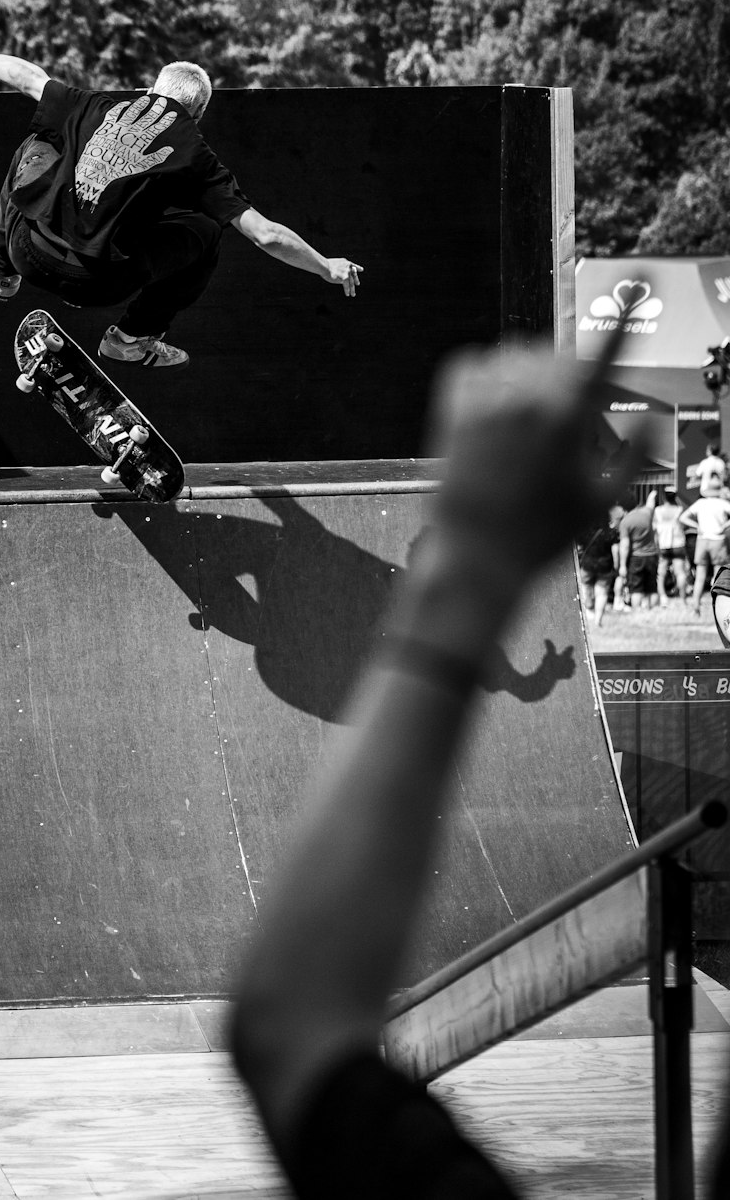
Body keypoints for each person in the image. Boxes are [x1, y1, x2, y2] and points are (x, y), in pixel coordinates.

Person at [229, 320, 730, 1198]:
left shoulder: (459, 625)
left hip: (342, 665)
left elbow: (287, 1028)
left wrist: (476, 560)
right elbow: (528, 685)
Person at [0, 29, 364, 368]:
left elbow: (27, 77)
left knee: (38, 144)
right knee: (206, 232)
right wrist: (325, 266)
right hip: (99, 284)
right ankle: (131, 338)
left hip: (30, 252)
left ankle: (0, 267)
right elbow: (266, 235)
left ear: (150, 88)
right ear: (198, 112)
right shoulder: (196, 155)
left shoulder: (94, 106)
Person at [680, 488, 730, 617]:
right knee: (719, 578)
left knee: (699, 578)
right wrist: (724, 526)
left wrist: (697, 526)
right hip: (718, 540)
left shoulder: (700, 503)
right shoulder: (722, 503)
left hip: (702, 540)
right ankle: (718, 611)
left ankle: (696, 609)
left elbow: (683, 517)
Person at [578, 505, 622, 627]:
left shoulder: (585, 532)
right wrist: (617, 566)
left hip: (588, 564)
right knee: (602, 593)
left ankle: (589, 610)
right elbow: (615, 551)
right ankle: (598, 619)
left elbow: (579, 548)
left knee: (585, 587)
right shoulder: (611, 533)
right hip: (605, 566)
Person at [617, 490, 659, 609]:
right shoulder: (646, 513)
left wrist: (623, 565)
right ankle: (654, 611)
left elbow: (625, 545)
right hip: (652, 555)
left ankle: (637, 611)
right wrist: (652, 494)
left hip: (636, 557)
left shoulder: (625, 522)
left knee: (636, 588)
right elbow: (650, 505)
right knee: (652, 586)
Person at [653, 487, 689, 606]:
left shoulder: (658, 510)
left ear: (664, 497)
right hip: (678, 544)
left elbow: (655, 528)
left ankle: (663, 598)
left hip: (663, 544)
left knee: (661, 573)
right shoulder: (679, 509)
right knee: (680, 573)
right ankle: (683, 599)